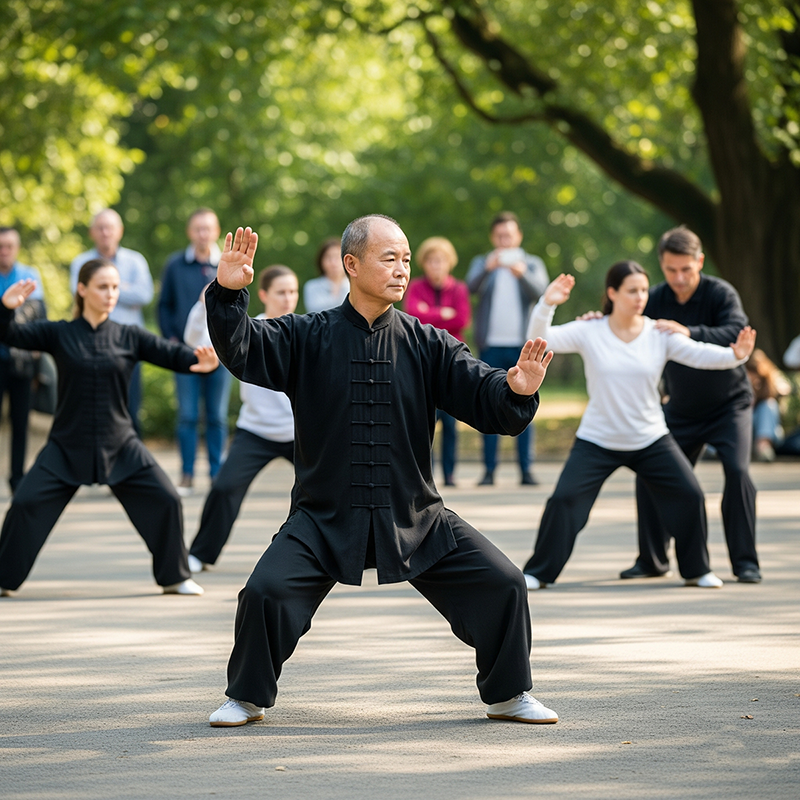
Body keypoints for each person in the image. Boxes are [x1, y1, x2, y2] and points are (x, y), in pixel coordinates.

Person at [205, 215, 558, 728]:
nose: (402, 270)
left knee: (504, 582)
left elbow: (486, 396)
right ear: (351, 264)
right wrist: (228, 292)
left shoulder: (428, 343)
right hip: (323, 517)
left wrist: (518, 390)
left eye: (406, 259)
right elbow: (242, 349)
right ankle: (246, 696)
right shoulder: (307, 336)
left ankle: (508, 694)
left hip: (415, 516)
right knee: (265, 592)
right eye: (389, 258)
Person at [521, 265, 756, 591]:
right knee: (564, 501)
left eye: (644, 290)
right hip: (598, 439)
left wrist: (736, 357)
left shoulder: (657, 334)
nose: (640, 297)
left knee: (690, 495)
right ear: (613, 293)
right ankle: (538, 572)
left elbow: (700, 355)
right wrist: (547, 303)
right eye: (632, 290)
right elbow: (540, 339)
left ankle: (697, 569)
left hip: (649, 438)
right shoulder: (590, 330)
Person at [0, 259, 219, 597]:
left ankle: (174, 576)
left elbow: (169, 353)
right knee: (25, 505)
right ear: (83, 289)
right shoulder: (59, 333)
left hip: (120, 444)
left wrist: (197, 361)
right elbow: (10, 332)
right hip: (66, 446)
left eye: (115, 287)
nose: (111, 294)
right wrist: (6, 308)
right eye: (103, 287)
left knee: (167, 499)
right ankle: (3, 579)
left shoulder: (128, 335)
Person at [622, 226, 762, 584]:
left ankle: (745, 562)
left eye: (686, 269)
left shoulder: (720, 293)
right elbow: (624, 320)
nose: (679, 278)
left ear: (699, 261)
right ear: (662, 266)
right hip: (680, 409)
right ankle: (652, 560)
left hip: (728, 406)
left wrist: (689, 331)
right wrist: (599, 320)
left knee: (738, 472)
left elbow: (736, 332)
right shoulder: (653, 298)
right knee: (649, 473)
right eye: (671, 270)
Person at [186, 266, 298, 573]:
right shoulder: (248, 330)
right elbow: (196, 339)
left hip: (299, 433)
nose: (288, 298)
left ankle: (357, 550)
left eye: (293, 292)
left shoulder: (304, 331)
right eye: (281, 292)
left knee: (334, 485)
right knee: (224, 489)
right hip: (255, 432)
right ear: (263, 295)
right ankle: (200, 554)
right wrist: (203, 304)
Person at [466, 211, 549, 486]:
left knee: (525, 405)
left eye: (509, 236)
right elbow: (469, 287)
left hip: (523, 347)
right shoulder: (483, 262)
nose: (504, 241)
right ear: (493, 237)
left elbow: (543, 293)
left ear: (518, 237)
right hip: (490, 345)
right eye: (500, 236)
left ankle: (526, 469)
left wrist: (522, 274)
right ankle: (489, 471)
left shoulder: (531, 262)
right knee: (489, 404)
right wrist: (488, 268)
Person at [158, 208, 232, 496]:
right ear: (190, 231)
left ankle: (216, 475)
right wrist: (173, 341)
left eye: (208, 228)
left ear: (216, 231)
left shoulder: (225, 264)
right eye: (197, 229)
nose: (203, 234)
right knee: (187, 415)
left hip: (220, 354)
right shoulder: (175, 265)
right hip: (186, 353)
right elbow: (164, 306)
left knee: (216, 416)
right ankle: (186, 475)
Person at [69, 209, 154, 436]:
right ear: (92, 232)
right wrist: (123, 287)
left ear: (120, 231)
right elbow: (77, 295)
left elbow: (144, 295)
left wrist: (101, 290)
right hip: (89, 344)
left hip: (128, 346)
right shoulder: (80, 262)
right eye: (100, 227)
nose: (105, 232)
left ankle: (131, 464)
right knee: (91, 408)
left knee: (130, 408)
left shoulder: (136, 261)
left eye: (110, 227)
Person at [403, 236, 471, 486]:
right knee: (425, 421)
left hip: (451, 361)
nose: (435, 265)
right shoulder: (416, 287)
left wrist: (429, 313)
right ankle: (424, 475)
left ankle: (450, 474)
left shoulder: (459, 289)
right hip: (422, 359)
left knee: (451, 423)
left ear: (449, 263)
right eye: (431, 261)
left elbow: (462, 320)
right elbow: (412, 317)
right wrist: (443, 313)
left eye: (440, 260)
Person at [0, 227, 47, 493]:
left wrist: (39, 368)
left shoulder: (30, 276)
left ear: (16, 247)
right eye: (0, 246)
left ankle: (17, 479)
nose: (4, 251)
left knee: (21, 423)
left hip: (21, 362)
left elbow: (38, 321)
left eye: (9, 246)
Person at [745, 350, 791, 462]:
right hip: (744, 428)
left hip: (767, 431)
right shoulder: (739, 380)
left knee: (768, 405)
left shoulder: (771, 378)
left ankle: (763, 447)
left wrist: (764, 390)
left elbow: (785, 388)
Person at [303, 237, 349, 312]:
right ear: (321, 261)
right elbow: (316, 312)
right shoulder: (312, 286)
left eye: (337, 257)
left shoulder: (355, 285)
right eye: (329, 258)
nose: (333, 263)